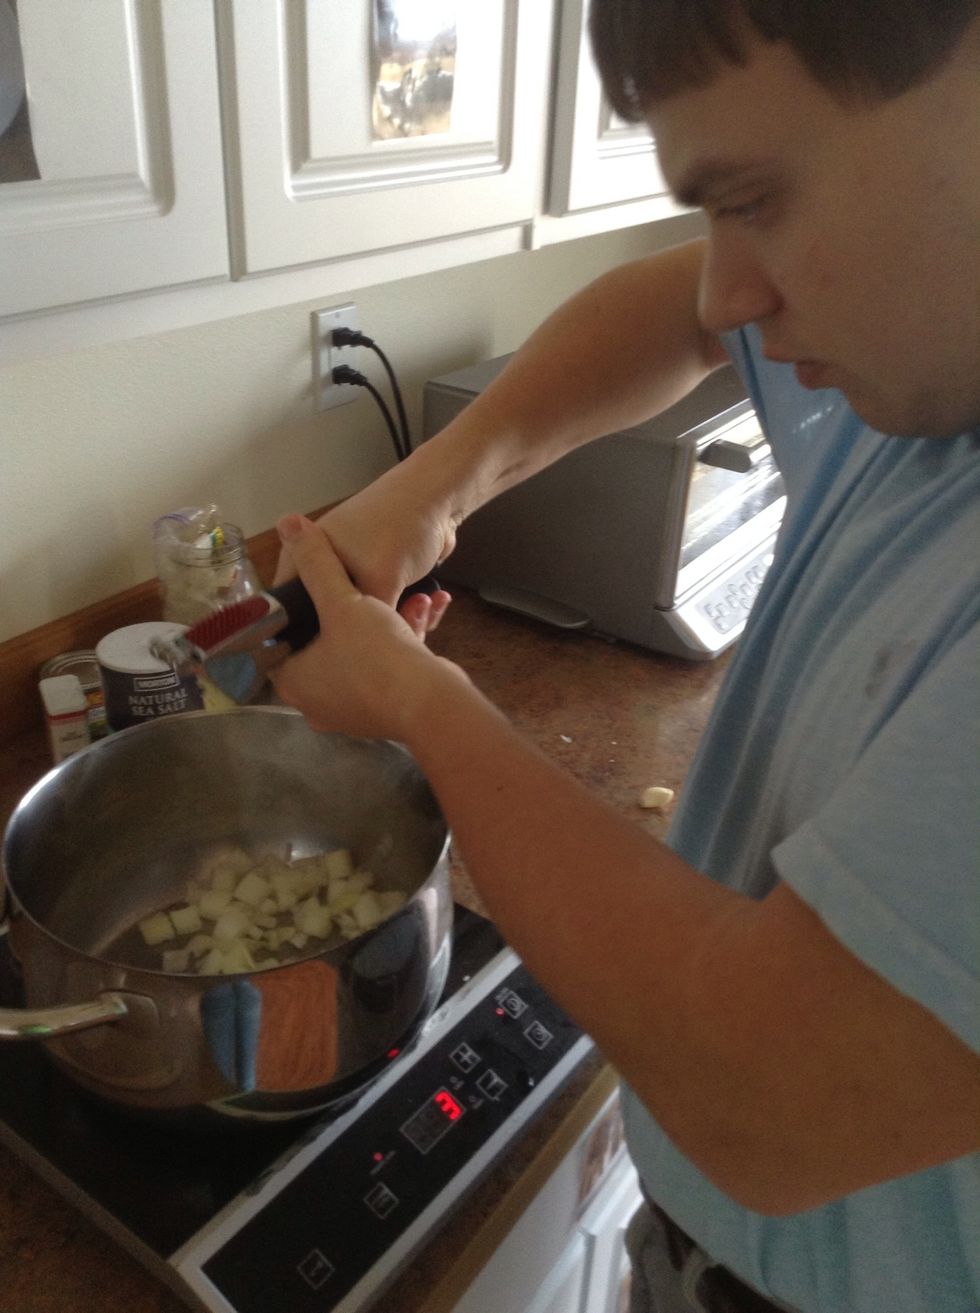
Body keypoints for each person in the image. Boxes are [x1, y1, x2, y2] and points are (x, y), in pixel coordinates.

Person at [271, 4, 980, 1310]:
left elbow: (770, 1093)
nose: (727, 289)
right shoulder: (927, 363)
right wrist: (437, 488)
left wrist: (425, 702)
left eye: (757, 198)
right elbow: (684, 315)